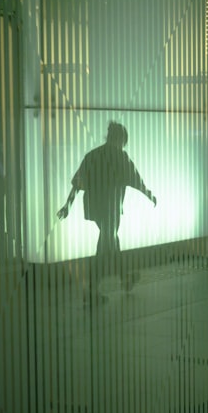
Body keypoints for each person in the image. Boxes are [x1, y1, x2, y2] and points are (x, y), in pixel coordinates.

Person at [57, 121, 157, 302]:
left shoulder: (92, 155)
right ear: (120, 139)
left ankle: (124, 278)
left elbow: (77, 185)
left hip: (95, 208)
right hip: (111, 208)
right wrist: (149, 194)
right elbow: (136, 179)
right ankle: (93, 289)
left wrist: (67, 207)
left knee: (111, 241)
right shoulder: (121, 156)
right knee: (105, 245)